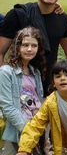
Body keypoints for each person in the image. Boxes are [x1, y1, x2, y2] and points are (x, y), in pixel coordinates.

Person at [0, 27, 45, 155]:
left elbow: (39, 100)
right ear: (17, 47)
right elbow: (7, 106)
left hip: (36, 128)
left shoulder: (35, 72)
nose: (30, 49)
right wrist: (27, 129)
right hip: (17, 129)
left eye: (34, 45)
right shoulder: (6, 72)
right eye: (25, 45)